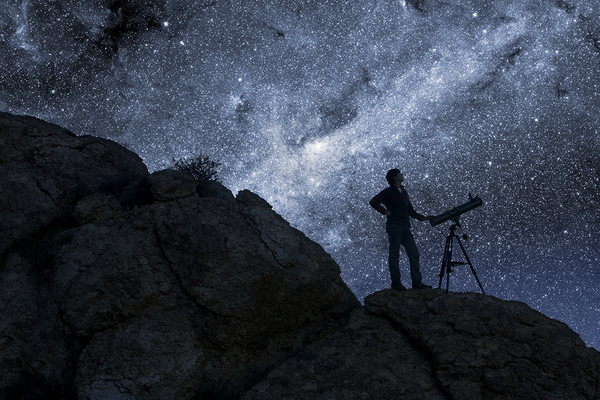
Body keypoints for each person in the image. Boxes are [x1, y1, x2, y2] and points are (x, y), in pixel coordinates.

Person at [370, 169, 433, 291]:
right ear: (395, 177)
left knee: (413, 253)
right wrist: (385, 211)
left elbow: (410, 210)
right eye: (400, 173)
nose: (402, 175)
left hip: (405, 226)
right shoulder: (388, 191)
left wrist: (422, 218)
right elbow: (373, 201)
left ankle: (417, 283)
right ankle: (396, 283)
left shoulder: (404, 192)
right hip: (394, 226)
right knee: (394, 254)